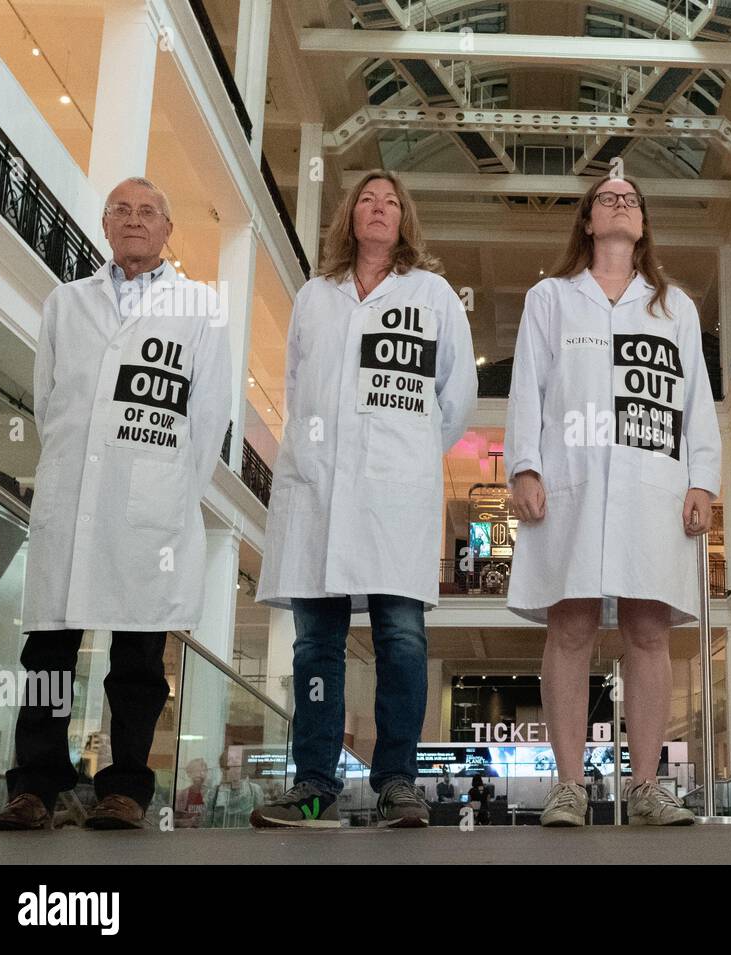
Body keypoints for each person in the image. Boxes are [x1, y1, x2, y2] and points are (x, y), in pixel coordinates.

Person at [0, 178, 232, 831]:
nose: (134, 219)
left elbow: (208, 416)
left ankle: (123, 788)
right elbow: (52, 401)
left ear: (167, 229)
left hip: (147, 506)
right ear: (104, 222)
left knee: (137, 660)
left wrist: (168, 483)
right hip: (72, 497)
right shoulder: (67, 303)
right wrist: (79, 463)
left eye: (147, 210)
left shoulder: (199, 308)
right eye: (121, 209)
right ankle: (33, 786)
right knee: (48, 653)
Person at [253, 170, 478, 828]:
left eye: (391, 203)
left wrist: (402, 449)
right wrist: (327, 449)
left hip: (396, 493)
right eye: (367, 201)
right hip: (319, 489)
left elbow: (456, 395)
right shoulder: (316, 295)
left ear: (404, 219)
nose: (379, 210)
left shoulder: (433, 294)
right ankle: (315, 780)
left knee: (402, 640)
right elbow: (300, 386)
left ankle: (398, 781)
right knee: (314, 647)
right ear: (350, 217)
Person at [506, 175, 721, 827]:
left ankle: (648, 785)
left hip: (652, 483)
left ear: (644, 225)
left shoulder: (674, 307)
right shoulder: (551, 298)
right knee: (570, 624)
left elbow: (694, 402)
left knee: (648, 629)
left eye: (632, 199)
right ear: (589, 222)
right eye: (608, 198)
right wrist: (524, 466)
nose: (620, 203)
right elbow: (527, 386)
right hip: (569, 480)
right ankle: (569, 784)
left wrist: (703, 479)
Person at [201, 747, 265, 829]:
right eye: (230, 759)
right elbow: (206, 824)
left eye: (238, 758)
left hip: (246, 839)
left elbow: (260, 821)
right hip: (219, 839)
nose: (235, 761)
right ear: (223, 768)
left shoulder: (255, 790)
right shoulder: (213, 793)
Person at [174, 758, 209, 829]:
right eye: (196, 770)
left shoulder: (211, 793)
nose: (199, 774)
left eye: (203, 771)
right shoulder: (181, 795)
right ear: (189, 773)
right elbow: (172, 821)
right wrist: (188, 822)